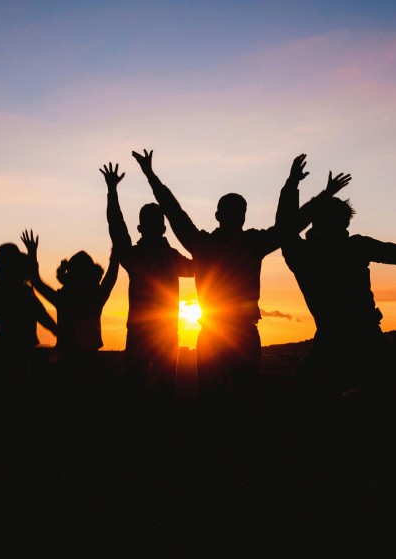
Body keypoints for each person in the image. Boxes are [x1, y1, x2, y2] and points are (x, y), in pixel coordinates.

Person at [131, 149, 312, 399]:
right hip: (241, 335)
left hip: (215, 337)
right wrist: (292, 185)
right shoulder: (251, 243)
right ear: (242, 216)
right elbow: (288, 227)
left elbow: (174, 214)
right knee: (245, 403)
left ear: (217, 215)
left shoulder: (204, 245)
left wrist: (151, 176)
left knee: (212, 406)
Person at [282, 173, 396, 395]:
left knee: (309, 388)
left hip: (336, 340)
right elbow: (386, 250)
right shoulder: (352, 247)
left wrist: (296, 186)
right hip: (362, 338)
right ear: (342, 223)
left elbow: (286, 229)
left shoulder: (303, 255)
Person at [102, 162, 194, 396]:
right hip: (162, 333)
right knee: (162, 394)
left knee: (135, 393)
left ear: (140, 228)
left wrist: (112, 191)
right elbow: (199, 268)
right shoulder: (170, 258)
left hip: (141, 333)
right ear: (164, 229)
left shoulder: (136, 256)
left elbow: (117, 227)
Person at [21, 230, 118, 366]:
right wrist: (116, 248)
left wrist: (32, 254)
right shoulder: (96, 297)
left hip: (66, 360)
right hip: (89, 362)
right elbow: (112, 273)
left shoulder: (63, 298)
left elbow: (36, 282)